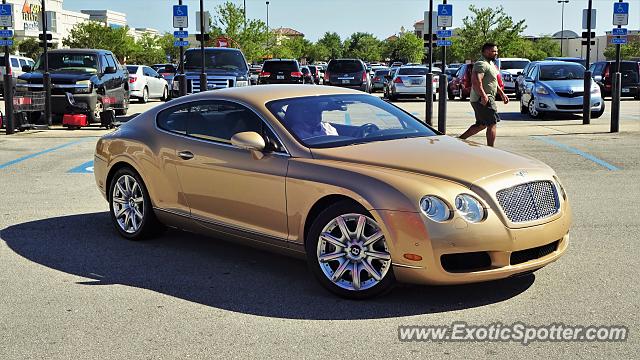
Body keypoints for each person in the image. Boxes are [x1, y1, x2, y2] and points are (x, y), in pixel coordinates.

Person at [458, 43, 508, 147]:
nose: (496, 53)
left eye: (496, 51)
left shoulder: (491, 64)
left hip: (484, 97)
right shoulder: (481, 64)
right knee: (492, 123)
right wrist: (484, 96)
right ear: (485, 51)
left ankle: (458, 140)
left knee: (481, 125)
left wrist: (502, 94)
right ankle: (491, 149)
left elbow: (493, 82)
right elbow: (476, 81)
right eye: (493, 51)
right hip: (483, 98)